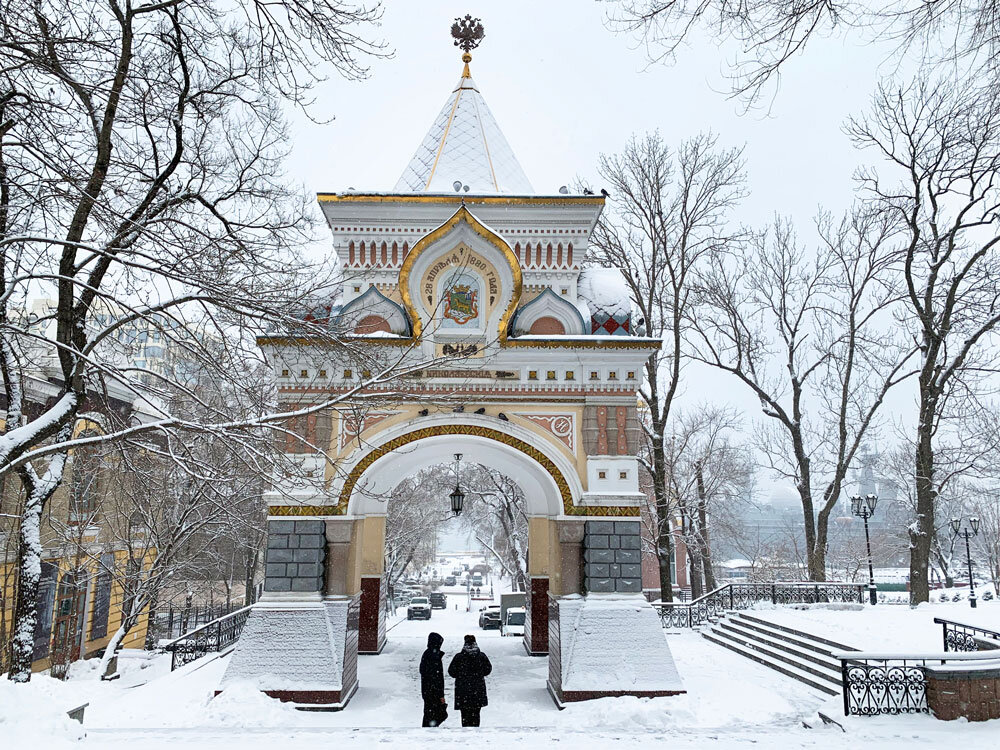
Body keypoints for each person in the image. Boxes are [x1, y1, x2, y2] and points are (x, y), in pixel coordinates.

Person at [448, 634, 492, 727]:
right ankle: (475, 731)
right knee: (476, 714)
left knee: (465, 715)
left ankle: (466, 731)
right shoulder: (481, 656)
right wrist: (479, 674)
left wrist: (461, 676)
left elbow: (451, 672)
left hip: (463, 692)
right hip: (478, 690)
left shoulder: (459, 657)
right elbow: (488, 669)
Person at [419, 632, 448, 727]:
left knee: (429, 713)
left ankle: (428, 728)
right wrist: (440, 695)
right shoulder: (434, 657)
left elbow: (423, 671)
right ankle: (430, 729)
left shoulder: (427, 654)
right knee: (434, 714)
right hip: (433, 692)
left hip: (427, 691)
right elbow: (437, 678)